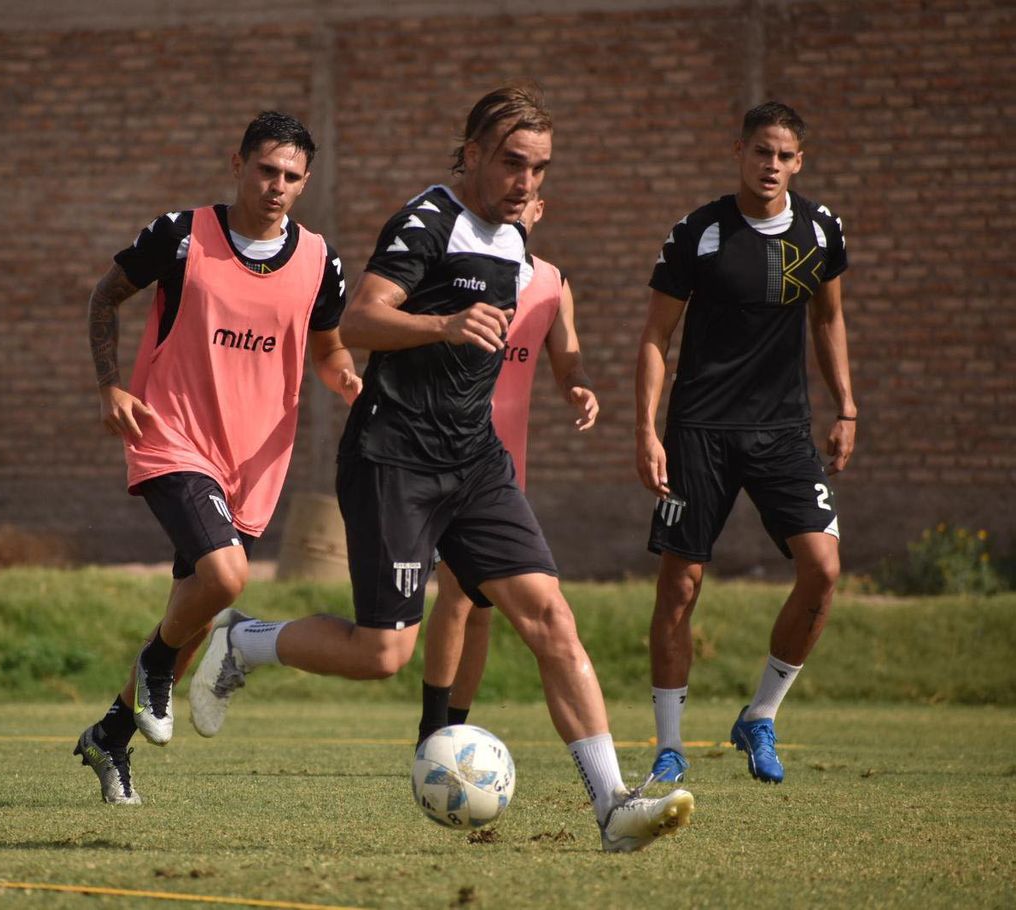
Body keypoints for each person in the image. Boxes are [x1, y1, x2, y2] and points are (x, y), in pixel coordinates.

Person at [190, 85, 693, 853]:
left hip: (476, 464)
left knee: (551, 619)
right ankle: (244, 642)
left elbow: (545, 334)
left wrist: (570, 379)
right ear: (471, 155)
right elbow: (355, 321)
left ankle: (614, 806)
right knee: (383, 654)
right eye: (512, 163)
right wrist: (443, 324)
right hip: (393, 458)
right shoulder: (427, 221)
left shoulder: (517, 242)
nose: (526, 182)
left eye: (540, 168)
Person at [74, 111, 360, 805]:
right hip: (171, 435)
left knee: (196, 610)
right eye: (266, 170)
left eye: (292, 176)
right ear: (237, 165)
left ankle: (110, 736)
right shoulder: (181, 236)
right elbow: (105, 296)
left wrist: (350, 381)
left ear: (306, 181)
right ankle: (155, 668)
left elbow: (326, 349)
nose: (278, 186)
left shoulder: (322, 262)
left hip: (257, 461)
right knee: (224, 579)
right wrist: (110, 384)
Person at [634, 101, 855, 785]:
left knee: (823, 569)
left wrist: (846, 406)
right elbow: (655, 337)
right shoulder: (698, 233)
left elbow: (830, 320)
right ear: (740, 151)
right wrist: (645, 428)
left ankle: (760, 716)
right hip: (698, 430)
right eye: (761, 151)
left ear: (800, 162)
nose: (772, 166)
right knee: (681, 585)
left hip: (784, 430)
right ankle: (669, 746)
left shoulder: (821, 231)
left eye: (785, 156)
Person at [415, 191, 599, 744]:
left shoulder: (551, 283)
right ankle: (433, 733)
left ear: (541, 211)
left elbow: (567, 356)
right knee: (454, 593)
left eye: (533, 199)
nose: (520, 206)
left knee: (482, 605)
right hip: (445, 452)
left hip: (502, 465)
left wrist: (577, 386)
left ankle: (452, 730)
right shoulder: (458, 273)